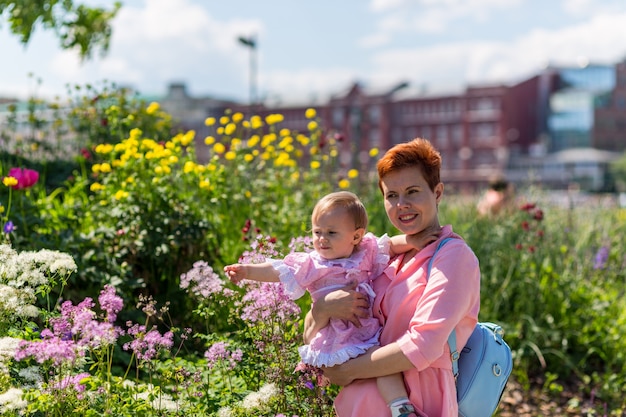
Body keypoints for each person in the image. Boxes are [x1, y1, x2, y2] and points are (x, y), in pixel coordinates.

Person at [303, 138, 481, 417]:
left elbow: (423, 345)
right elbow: (312, 334)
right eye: (392, 195)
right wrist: (323, 307)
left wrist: (346, 370)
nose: (402, 205)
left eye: (412, 191)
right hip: (357, 404)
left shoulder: (453, 257)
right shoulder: (380, 255)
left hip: (419, 402)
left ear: (437, 193)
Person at [224, 191, 439, 417]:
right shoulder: (312, 263)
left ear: (356, 237)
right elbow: (277, 270)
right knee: (342, 380)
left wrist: (413, 240)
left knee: (384, 368)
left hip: (363, 333)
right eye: (317, 232)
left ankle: (401, 409)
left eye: (331, 233)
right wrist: (246, 271)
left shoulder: (365, 252)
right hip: (335, 336)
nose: (322, 239)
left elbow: (391, 245)